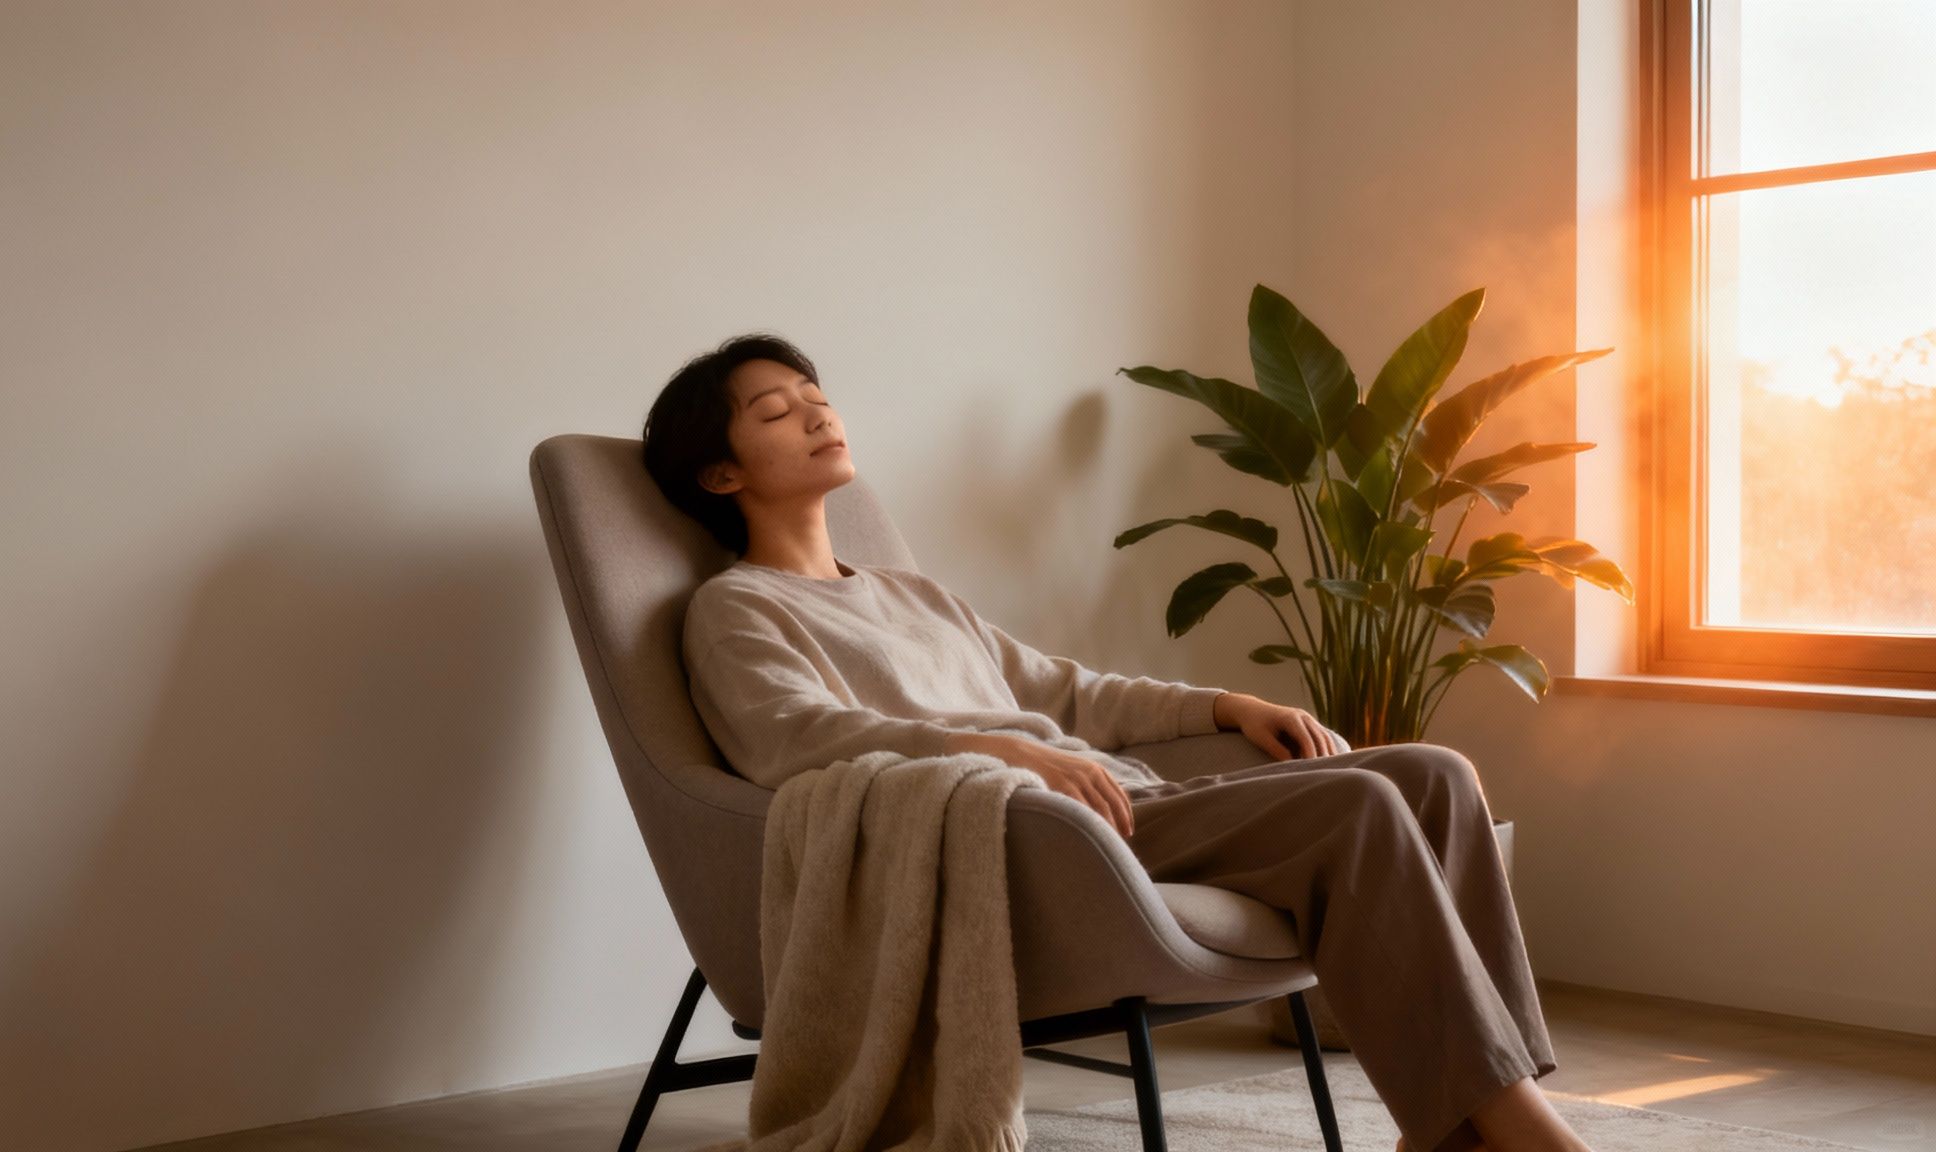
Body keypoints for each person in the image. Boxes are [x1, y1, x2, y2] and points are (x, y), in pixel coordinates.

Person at [641, 332, 1593, 1152]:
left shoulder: (909, 593)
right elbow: (794, 740)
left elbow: (1065, 689)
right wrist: (1000, 758)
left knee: (1432, 772)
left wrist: (1221, 706)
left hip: (1106, 801)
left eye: (817, 396)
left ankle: (1477, 1124)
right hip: (1022, 836)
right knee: (1361, 802)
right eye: (776, 411)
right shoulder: (735, 609)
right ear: (720, 475)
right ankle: (1516, 1134)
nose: (816, 415)